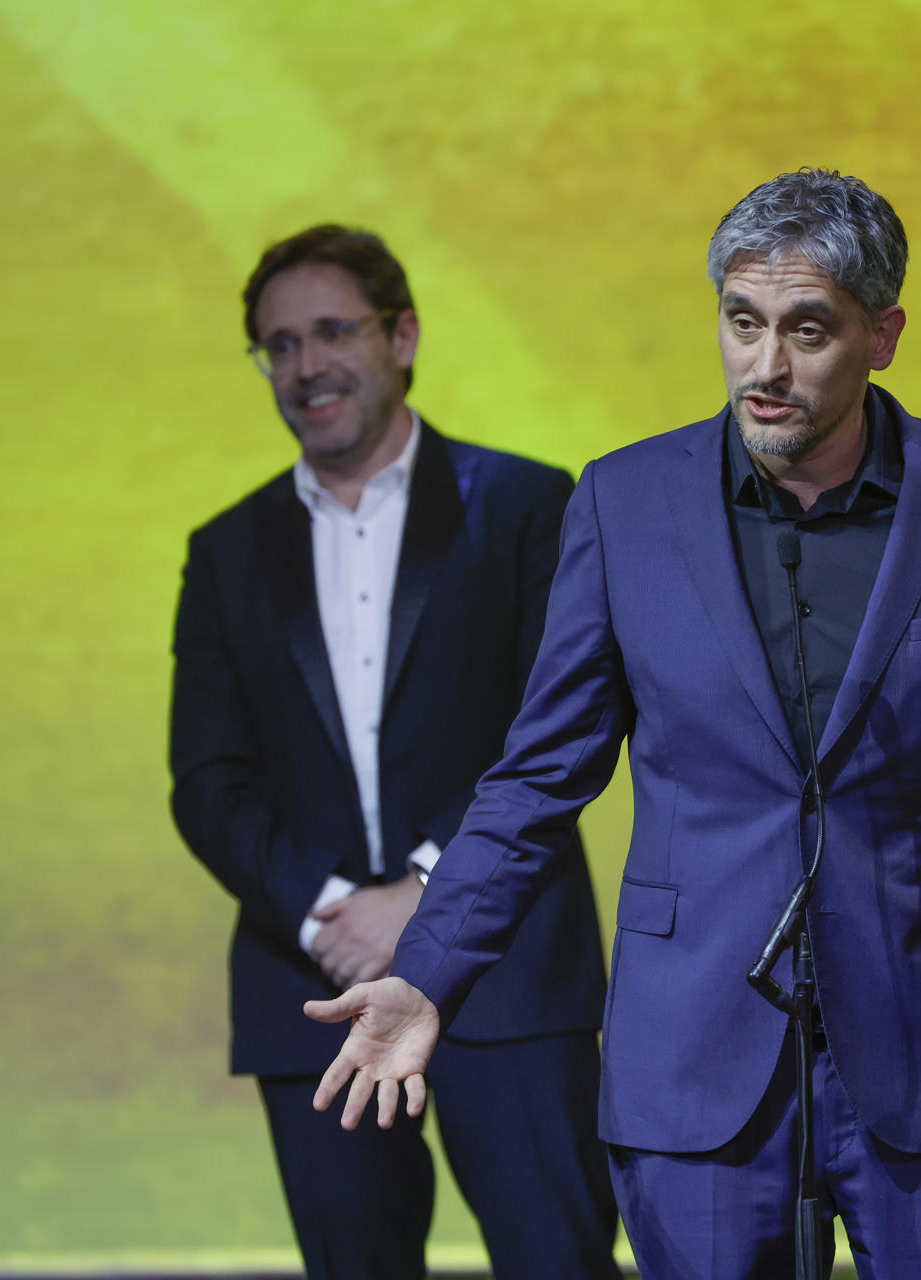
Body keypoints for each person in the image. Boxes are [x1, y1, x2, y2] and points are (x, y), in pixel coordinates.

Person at [304, 170, 921, 1278]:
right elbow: (535, 780)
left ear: (884, 334)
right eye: (742, 321)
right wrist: (428, 972)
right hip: (698, 1058)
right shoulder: (625, 502)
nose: (765, 367)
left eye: (807, 330)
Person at [169, 225, 621, 1279]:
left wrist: (424, 891)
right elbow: (208, 781)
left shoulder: (524, 503)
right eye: (279, 345)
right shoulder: (226, 549)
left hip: (507, 970)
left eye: (333, 331)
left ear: (403, 333)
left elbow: (557, 728)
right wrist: (332, 910)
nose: (307, 366)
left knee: (559, 1259)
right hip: (312, 985)